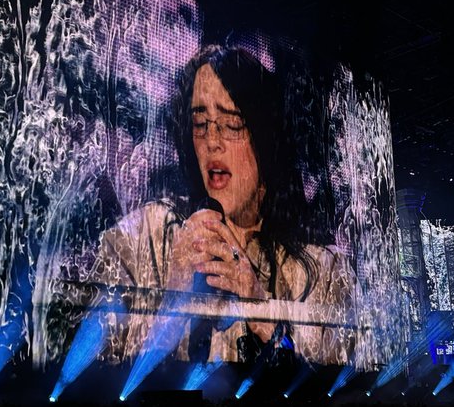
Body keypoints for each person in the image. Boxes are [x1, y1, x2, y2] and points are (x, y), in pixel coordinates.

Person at [92, 43, 356, 366]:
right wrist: (173, 300)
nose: (212, 142)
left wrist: (260, 308)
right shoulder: (138, 239)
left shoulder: (325, 271)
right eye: (201, 124)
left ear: (266, 138)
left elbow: (336, 385)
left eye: (232, 124)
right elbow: (101, 368)